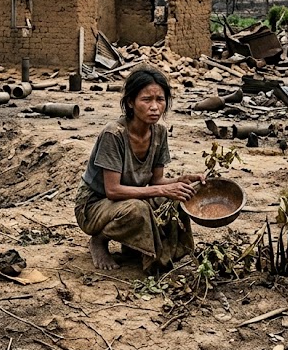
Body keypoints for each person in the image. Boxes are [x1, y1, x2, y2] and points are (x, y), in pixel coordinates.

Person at [74, 66, 204, 271]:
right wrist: (161, 190)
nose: (155, 107)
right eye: (146, 100)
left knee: (177, 199)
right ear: (130, 102)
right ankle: (99, 239)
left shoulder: (159, 133)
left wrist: (180, 181)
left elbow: (157, 181)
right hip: (94, 205)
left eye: (160, 100)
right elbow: (113, 190)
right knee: (138, 210)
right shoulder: (113, 134)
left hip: (129, 197)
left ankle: (143, 249)